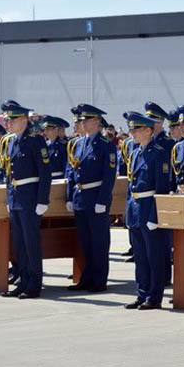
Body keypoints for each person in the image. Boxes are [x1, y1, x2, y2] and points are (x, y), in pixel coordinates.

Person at [0, 100, 52, 299]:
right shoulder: (11, 141)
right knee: (19, 244)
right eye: (7, 120)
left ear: (23, 120)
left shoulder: (35, 140)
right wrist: (8, 199)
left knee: (31, 243)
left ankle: (34, 284)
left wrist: (42, 200)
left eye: (11, 120)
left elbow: (44, 172)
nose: (8, 124)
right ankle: (23, 280)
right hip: (16, 198)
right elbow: (9, 174)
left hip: (30, 199)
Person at [66, 104, 117, 293]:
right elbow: (72, 171)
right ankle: (86, 278)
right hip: (81, 198)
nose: (83, 124)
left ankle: (99, 279)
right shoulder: (78, 144)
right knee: (85, 243)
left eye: (86, 120)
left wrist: (102, 201)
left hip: (96, 199)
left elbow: (108, 176)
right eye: (82, 121)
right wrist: (70, 196)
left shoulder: (106, 146)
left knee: (99, 243)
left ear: (96, 122)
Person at [123, 111, 170, 310]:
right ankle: (142, 293)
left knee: (154, 256)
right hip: (135, 209)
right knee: (140, 256)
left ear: (148, 131)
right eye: (132, 129)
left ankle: (154, 295)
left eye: (137, 129)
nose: (133, 133)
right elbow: (131, 185)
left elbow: (162, 188)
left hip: (149, 208)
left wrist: (155, 215)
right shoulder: (135, 153)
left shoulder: (158, 153)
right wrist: (128, 211)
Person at [145, 101, 176, 285]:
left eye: (153, 120)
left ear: (161, 122)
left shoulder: (168, 143)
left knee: (164, 240)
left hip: (164, 194)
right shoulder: (144, 143)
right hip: (147, 196)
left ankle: (164, 276)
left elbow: (171, 171)